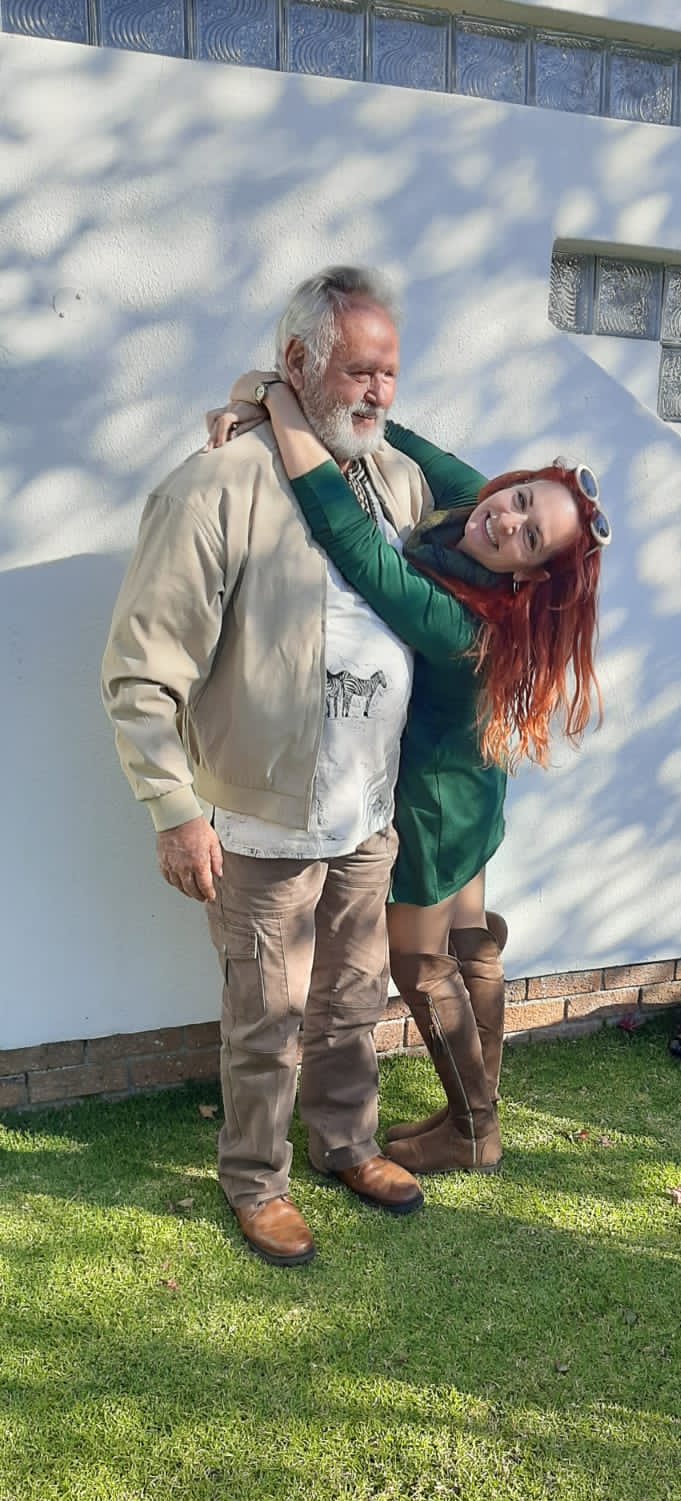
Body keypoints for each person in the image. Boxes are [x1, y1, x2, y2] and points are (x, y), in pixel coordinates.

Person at [102, 266, 444, 1271]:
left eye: (389, 371)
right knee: (267, 1016)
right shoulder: (216, 485)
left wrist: (263, 388)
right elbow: (142, 666)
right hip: (262, 822)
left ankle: (347, 1143)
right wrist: (172, 808)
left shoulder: (397, 479)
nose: (378, 391)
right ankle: (256, 1180)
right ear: (298, 361)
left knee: (352, 1000)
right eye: (358, 369)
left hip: (366, 810)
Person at [206, 368, 609, 1180]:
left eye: (530, 537)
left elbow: (350, 538)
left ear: (533, 575)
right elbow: (387, 435)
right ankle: (478, 1108)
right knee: (470, 942)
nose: (507, 520)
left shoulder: (461, 623)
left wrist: (278, 404)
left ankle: (473, 1127)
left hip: (432, 802)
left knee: (419, 963)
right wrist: (269, 385)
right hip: (475, 784)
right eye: (520, 498)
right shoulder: (472, 503)